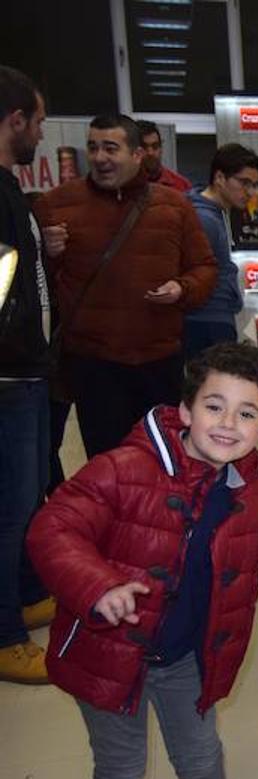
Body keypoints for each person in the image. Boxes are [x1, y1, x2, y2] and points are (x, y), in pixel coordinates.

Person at [28, 342, 258, 779]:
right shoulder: (124, 468)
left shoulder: (250, 489)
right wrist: (98, 586)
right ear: (185, 410)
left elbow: (242, 567)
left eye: (246, 413)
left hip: (184, 653)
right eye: (214, 406)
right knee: (121, 773)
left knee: (201, 754)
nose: (227, 423)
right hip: (108, 651)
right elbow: (52, 529)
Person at [35, 113, 216, 459]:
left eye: (110, 148)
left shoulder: (174, 206)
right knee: (107, 462)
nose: (100, 157)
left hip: (158, 359)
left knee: (165, 457)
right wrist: (46, 253)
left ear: (137, 155)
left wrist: (182, 288)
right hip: (94, 365)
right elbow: (35, 285)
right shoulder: (56, 204)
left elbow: (205, 267)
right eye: (93, 147)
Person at [0, 65, 56, 684]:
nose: (41, 133)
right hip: (8, 377)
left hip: (28, 372)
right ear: (15, 121)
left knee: (27, 498)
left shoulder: (10, 189)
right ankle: (5, 633)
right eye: (38, 121)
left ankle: (22, 595)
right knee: (9, 510)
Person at [185, 143, 258, 359]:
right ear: (220, 178)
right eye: (244, 183)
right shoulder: (205, 219)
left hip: (214, 319)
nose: (250, 192)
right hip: (206, 323)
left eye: (255, 185)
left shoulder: (216, 212)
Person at [136, 120, 191, 193]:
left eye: (155, 146)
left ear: (161, 148)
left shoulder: (181, 185)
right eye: (144, 147)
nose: (150, 153)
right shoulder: (123, 184)